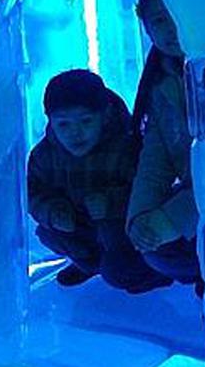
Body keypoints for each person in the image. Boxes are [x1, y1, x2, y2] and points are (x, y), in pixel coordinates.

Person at [27, 69, 170, 293]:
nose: (75, 133)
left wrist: (111, 203)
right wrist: (53, 212)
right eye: (64, 124)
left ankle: (147, 274)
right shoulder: (45, 156)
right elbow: (33, 192)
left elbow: (151, 190)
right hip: (80, 225)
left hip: (122, 231)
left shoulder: (127, 148)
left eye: (85, 121)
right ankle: (90, 264)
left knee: (116, 257)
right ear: (51, 121)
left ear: (105, 116)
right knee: (49, 234)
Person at [127, 0, 204, 294]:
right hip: (200, 200)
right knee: (154, 252)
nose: (172, 29)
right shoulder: (163, 85)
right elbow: (154, 162)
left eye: (178, 15)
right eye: (159, 21)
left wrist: (172, 220)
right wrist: (140, 219)